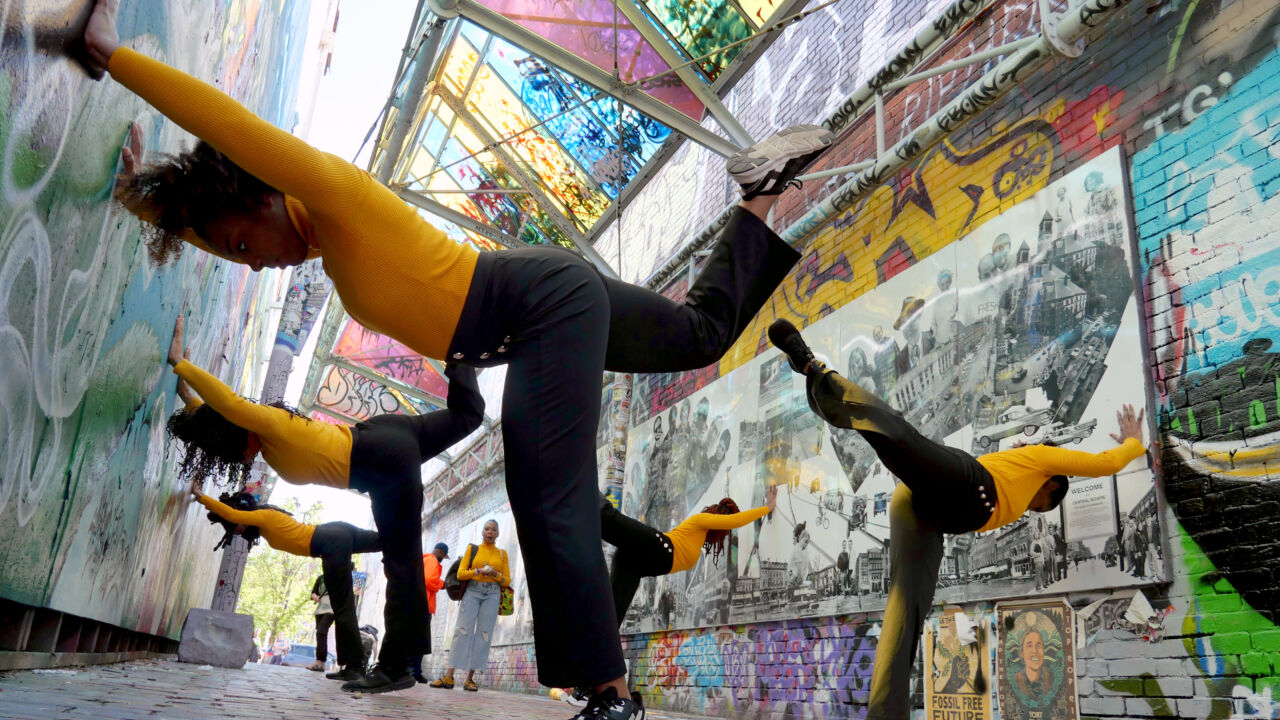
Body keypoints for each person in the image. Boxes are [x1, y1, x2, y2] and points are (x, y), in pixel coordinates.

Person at [80, 3, 832, 713]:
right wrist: (142, 198)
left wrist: (113, 56)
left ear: (267, 194)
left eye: (243, 243)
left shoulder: (333, 194)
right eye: (231, 255)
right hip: (548, 298)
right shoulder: (322, 242)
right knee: (698, 335)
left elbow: (233, 128)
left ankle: (611, 698)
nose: (249, 262)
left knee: (546, 489)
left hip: (540, 305)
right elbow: (216, 213)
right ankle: (760, 192)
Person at [768, 319, 1147, 720]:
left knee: (906, 610)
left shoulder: (1017, 464)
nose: (1034, 509)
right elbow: (1105, 463)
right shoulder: (1042, 459)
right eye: (1042, 505)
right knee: (894, 432)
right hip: (962, 484)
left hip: (928, 515)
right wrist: (1133, 442)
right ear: (1052, 487)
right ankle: (813, 368)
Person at [165, 317, 483, 693]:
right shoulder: (271, 435)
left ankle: (396, 668)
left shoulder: (268, 424)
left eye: (238, 450)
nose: (245, 457)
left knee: (402, 564)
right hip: (387, 434)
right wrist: (189, 400)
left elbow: (229, 404)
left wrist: (179, 363)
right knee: (467, 416)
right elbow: (219, 416)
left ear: (240, 431)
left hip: (380, 463)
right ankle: (464, 353)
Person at [190, 481, 379, 680]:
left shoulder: (263, 516)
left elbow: (232, 514)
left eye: (233, 527)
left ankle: (355, 667)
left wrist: (201, 496)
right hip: (334, 535)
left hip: (330, 542)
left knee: (342, 607)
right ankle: (352, 666)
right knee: (384, 542)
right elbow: (234, 517)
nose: (235, 531)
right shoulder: (265, 524)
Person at [601, 485, 777, 629]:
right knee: (607, 518)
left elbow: (732, 526)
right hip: (658, 546)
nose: (724, 530)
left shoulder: (697, 540)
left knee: (610, 620)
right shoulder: (700, 520)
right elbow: (736, 520)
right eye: (724, 522)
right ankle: (588, 494)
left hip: (638, 563)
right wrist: (767, 508)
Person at [429, 520, 510, 692]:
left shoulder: (502, 554)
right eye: (487, 529)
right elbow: (460, 573)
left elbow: (507, 580)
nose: (489, 532)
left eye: (493, 530)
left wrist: (494, 573)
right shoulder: (472, 549)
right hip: (472, 591)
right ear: (482, 532)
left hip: (493, 593)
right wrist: (477, 571)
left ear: (497, 533)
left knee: (484, 634)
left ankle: (470, 679)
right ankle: (449, 677)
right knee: (462, 631)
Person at [410, 542, 449, 683]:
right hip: (423, 604)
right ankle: (414, 672)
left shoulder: (424, 559)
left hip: (416, 603)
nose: (443, 559)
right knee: (420, 640)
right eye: (444, 556)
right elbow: (430, 580)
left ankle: (411, 671)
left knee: (413, 639)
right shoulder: (432, 561)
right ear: (440, 552)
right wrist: (443, 584)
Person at [310, 573, 335, 672]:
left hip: (332, 609)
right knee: (320, 634)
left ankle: (320, 661)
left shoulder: (338, 575)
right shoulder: (321, 578)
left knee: (321, 632)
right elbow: (313, 592)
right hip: (320, 609)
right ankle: (320, 663)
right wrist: (315, 596)